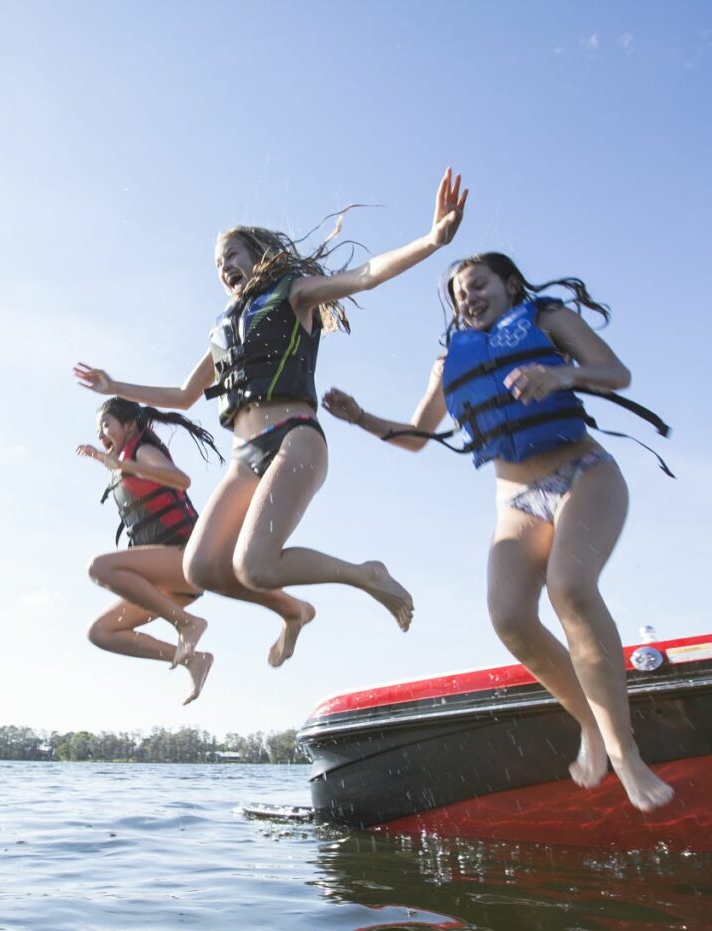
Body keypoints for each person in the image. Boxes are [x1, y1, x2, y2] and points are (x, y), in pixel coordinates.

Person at [321, 252, 675, 812]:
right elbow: (416, 436)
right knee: (509, 618)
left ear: (510, 286)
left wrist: (562, 372)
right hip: (516, 499)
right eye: (460, 294)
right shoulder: (449, 360)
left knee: (570, 587)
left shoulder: (547, 318)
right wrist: (361, 416)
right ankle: (590, 724)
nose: (469, 299)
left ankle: (625, 751)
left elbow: (615, 373)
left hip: (584, 472)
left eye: (478, 285)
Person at [74, 169, 469, 656]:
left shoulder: (293, 293)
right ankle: (292, 609)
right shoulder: (223, 329)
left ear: (258, 255)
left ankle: (365, 575)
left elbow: (365, 277)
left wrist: (431, 241)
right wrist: (116, 386)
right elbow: (182, 395)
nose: (225, 268)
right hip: (244, 457)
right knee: (200, 569)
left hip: (293, 438)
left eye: (232, 256)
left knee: (254, 565)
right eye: (218, 264)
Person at [77, 398, 309, 704]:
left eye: (106, 424)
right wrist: (116, 466)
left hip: (184, 558)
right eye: (98, 429)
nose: (101, 434)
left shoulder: (142, 452)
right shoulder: (122, 464)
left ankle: (186, 623)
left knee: (99, 567)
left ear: (130, 425)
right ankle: (191, 659)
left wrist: (121, 464)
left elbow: (181, 479)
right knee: (101, 633)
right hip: (167, 579)